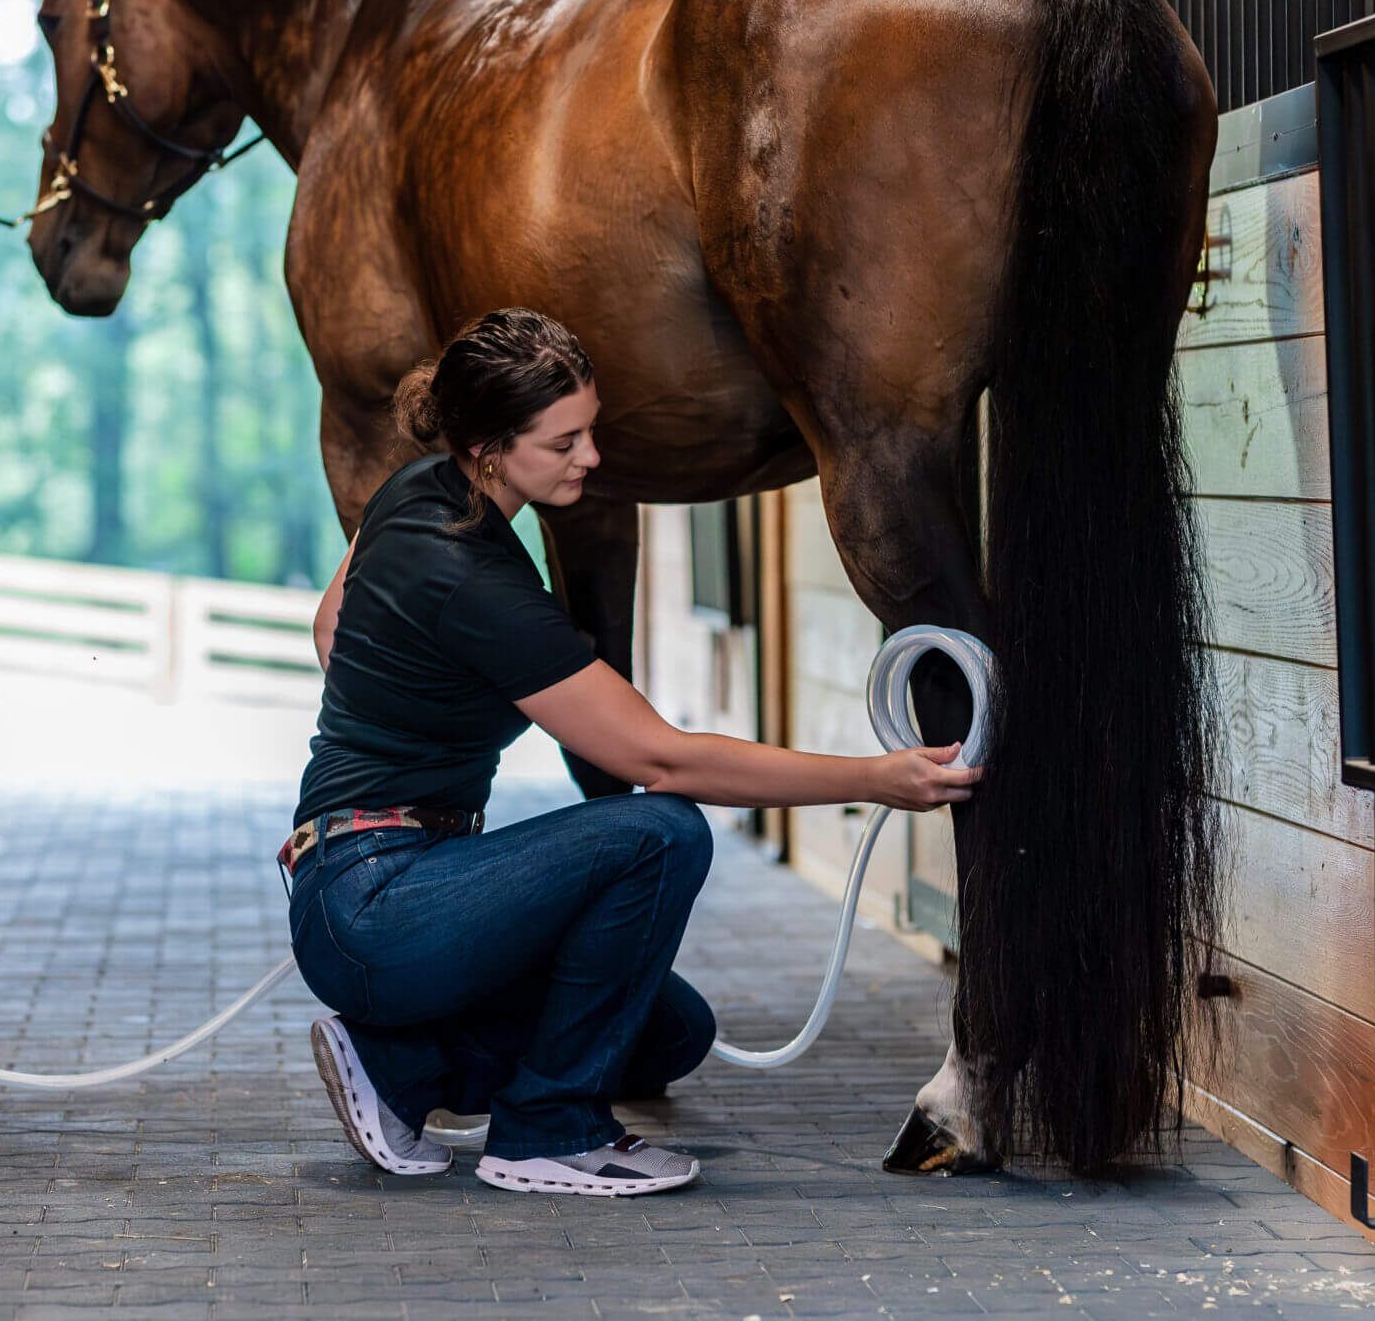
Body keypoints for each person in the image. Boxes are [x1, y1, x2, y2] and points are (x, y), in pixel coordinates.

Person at [285, 307, 977, 1196]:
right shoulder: (471, 576)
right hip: (376, 902)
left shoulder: (413, 490)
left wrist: (407, 695)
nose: (593, 458)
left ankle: (398, 1067)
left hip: (366, 875)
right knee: (661, 830)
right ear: (493, 447)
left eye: (591, 429)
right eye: (564, 440)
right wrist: (878, 779)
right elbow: (667, 761)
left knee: (670, 1032)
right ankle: (547, 1134)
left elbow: (330, 630)